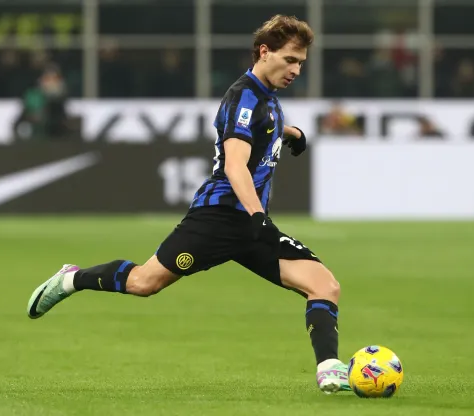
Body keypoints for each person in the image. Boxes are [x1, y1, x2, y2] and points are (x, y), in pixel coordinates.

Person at [25, 14, 351, 395]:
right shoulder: (242, 97)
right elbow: (234, 164)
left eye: (301, 63)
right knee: (145, 283)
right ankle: (71, 279)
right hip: (218, 218)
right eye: (290, 59)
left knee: (324, 285)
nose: (296, 69)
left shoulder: (267, 99)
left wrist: (290, 133)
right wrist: (258, 215)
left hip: (251, 225)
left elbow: (264, 127)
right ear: (265, 52)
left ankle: (330, 371)